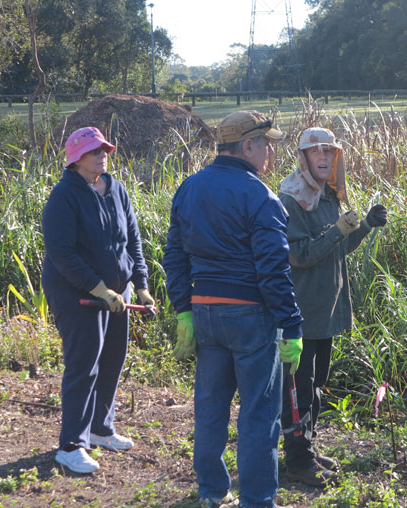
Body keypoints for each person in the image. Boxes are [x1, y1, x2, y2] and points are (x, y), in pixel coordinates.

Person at [163, 110, 303, 508]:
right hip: (250, 316)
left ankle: (212, 490)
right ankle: (257, 499)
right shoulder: (261, 196)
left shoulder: (189, 188)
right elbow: (273, 270)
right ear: (247, 146)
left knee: (210, 406)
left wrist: (184, 310)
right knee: (259, 413)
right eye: (267, 145)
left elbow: (175, 254)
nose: (271, 154)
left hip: (204, 312)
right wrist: (291, 325)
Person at [277, 127, 388, 487]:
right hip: (302, 312)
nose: (323, 158)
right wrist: (338, 231)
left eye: (329, 152)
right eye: (316, 152)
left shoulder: (328, 196)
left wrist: (366, 225)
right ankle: (296, 461)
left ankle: (306, 447)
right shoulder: (291, 198)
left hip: (327, 310)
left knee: (317, 384)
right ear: (303, 157)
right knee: (299, 389)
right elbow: (300, 255)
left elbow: (335, 249)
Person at [42, 126, 155, 474]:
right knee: (83, 366)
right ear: (76, 159)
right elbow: (61, 253)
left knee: (111, 360)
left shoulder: (116, 188)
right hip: (78, 295)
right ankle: (71, 444)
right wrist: (97, 288)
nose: (102, 155)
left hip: (116, 293)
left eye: (104, 149)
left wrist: (141, 285)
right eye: (94, 151)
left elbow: (131, 240)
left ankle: (100, 428)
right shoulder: (64, 196)